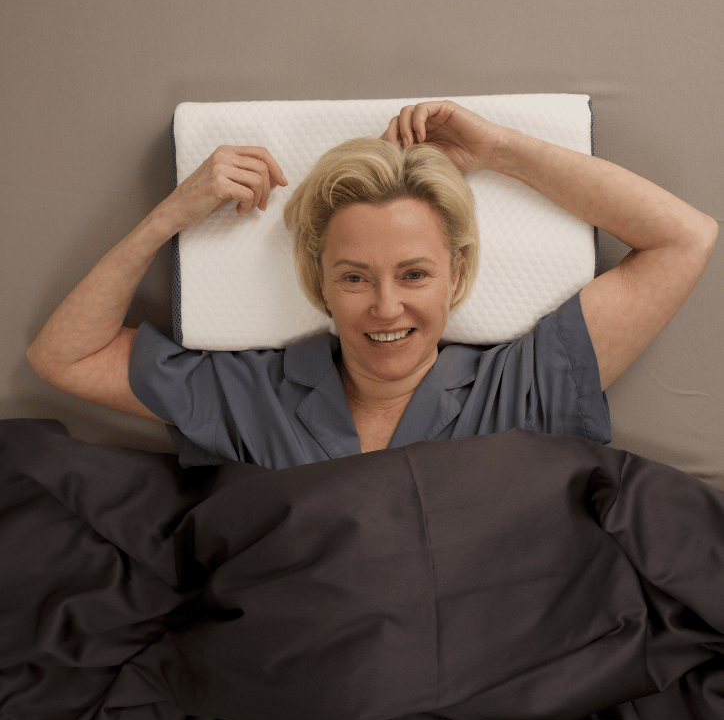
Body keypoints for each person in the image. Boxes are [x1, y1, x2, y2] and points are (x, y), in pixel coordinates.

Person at [27, 100, 718, 467]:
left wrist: (501, 150)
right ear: (319, 282)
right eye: (355, 277)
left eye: (414, 274)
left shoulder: (526, 384)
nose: (387, 307)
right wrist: (170, 217)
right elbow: (64, 357)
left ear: (456, 275)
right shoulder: (251, 396)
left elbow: (685, 238)